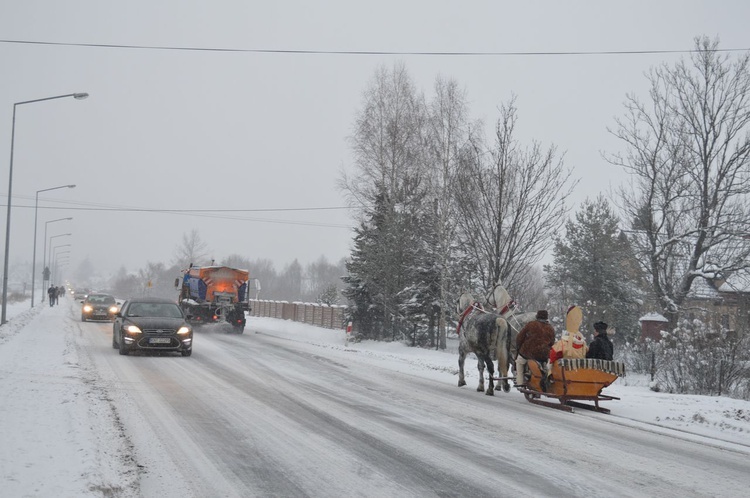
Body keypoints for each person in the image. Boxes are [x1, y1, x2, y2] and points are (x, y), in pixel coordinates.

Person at [515, 310, 556, 388]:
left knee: (519, 362)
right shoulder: (550, 328)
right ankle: (545, 376)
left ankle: (519, 382)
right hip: (543, 354)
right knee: (544, 365)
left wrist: (519, 345)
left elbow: (520, 337)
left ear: (537, 316)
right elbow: (552, 342)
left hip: (528, 353)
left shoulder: (531, 325)